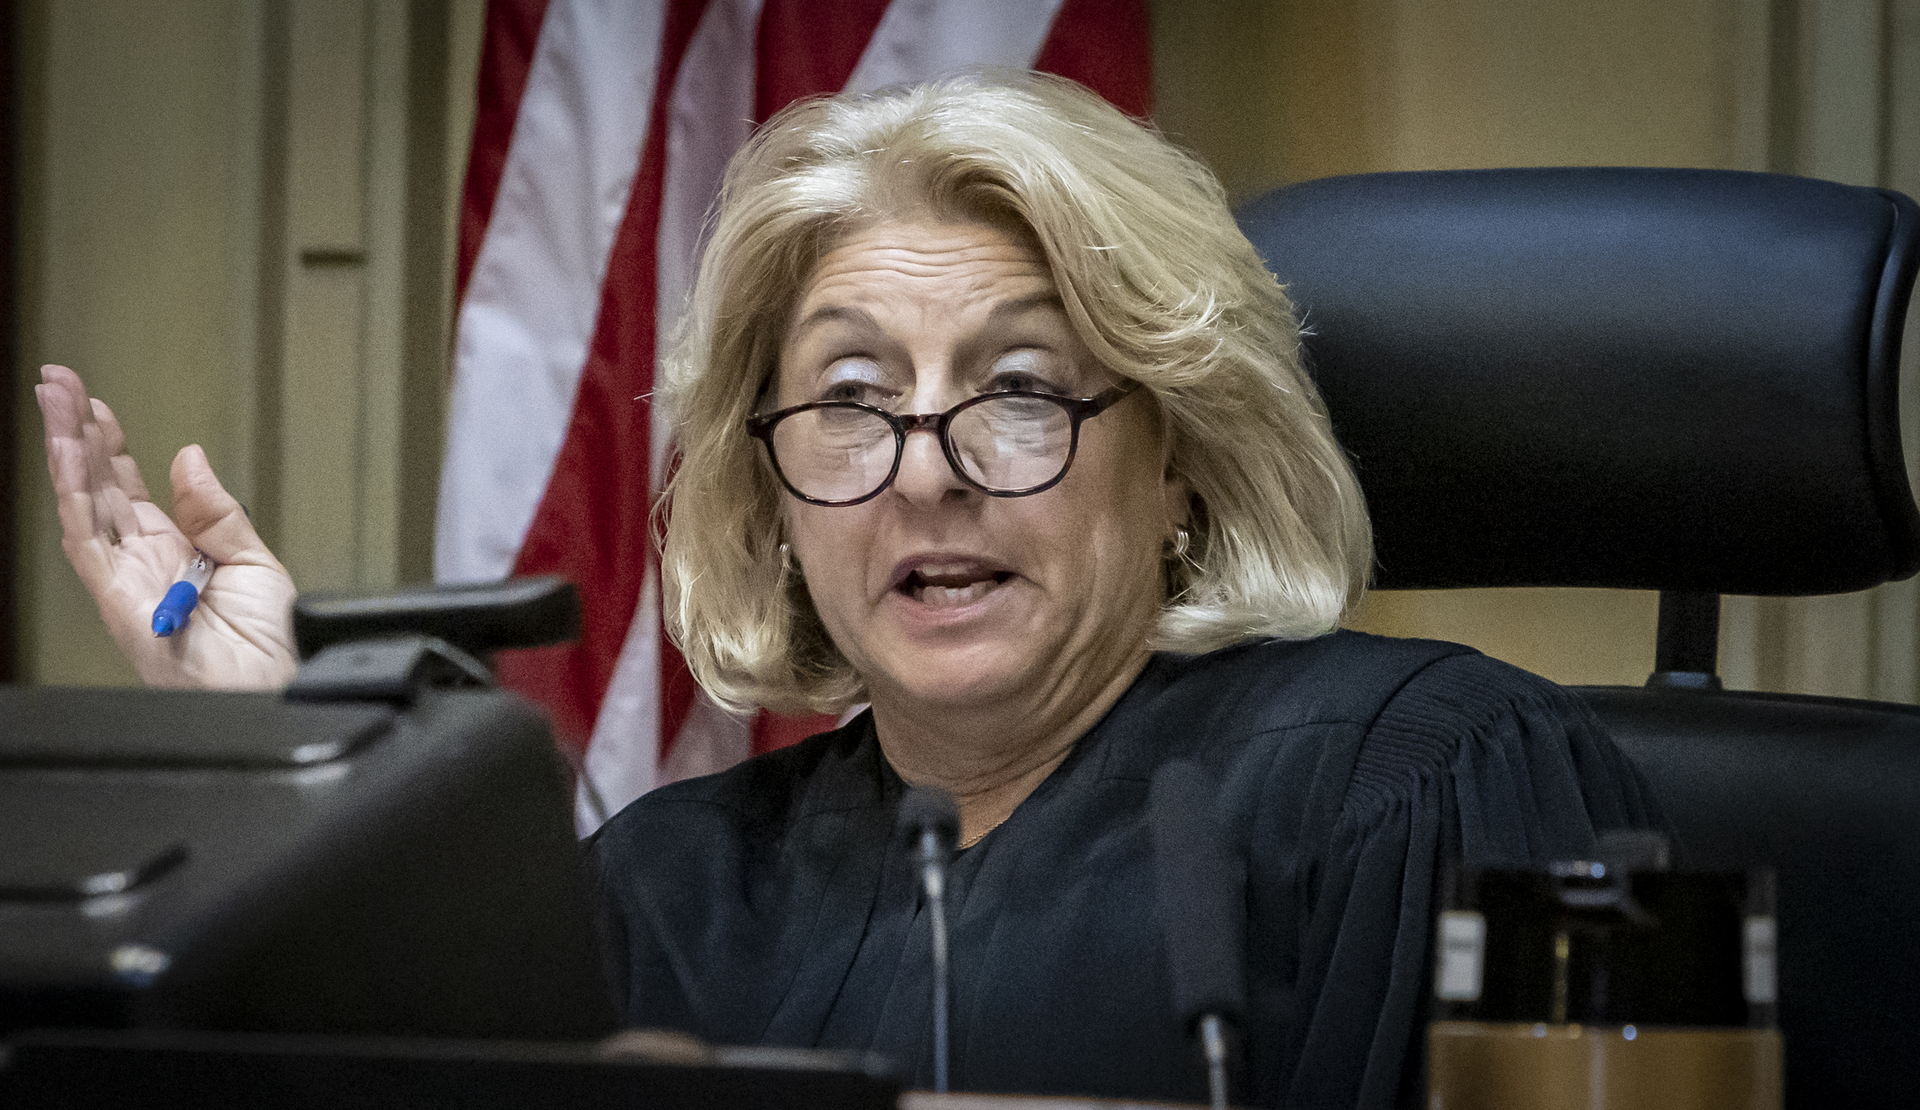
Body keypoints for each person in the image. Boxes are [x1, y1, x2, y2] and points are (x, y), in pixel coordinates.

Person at [38, 73, 1658, 1109]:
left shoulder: (1430, 780)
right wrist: (284, 766)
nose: (925, 470)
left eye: (1018, 388)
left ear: (1179, 457)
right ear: (773, 492)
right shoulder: (660, 894)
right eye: (853, 399)